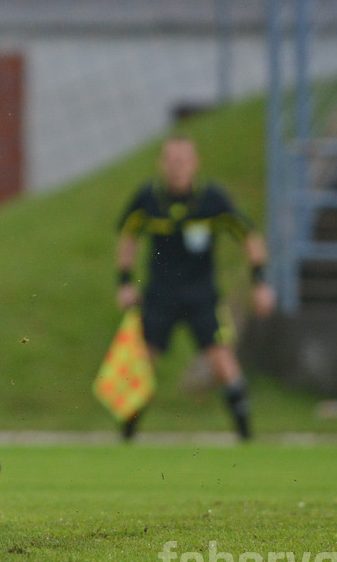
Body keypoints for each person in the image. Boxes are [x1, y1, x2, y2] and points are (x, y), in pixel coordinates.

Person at [116, 134, 274, 441]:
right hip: (160, 294)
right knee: (142, 363)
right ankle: (126, 435)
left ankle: (246, 434)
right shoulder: (149, 198)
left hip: (201, 294)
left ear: (195, 163)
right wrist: (124, 282)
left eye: (183, 160)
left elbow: (249, 237)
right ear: (161, 164)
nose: (177, 167)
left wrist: (260, 283)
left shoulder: (211, 199)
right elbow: (128, 236)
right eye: (172, 160)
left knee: (222, 360)